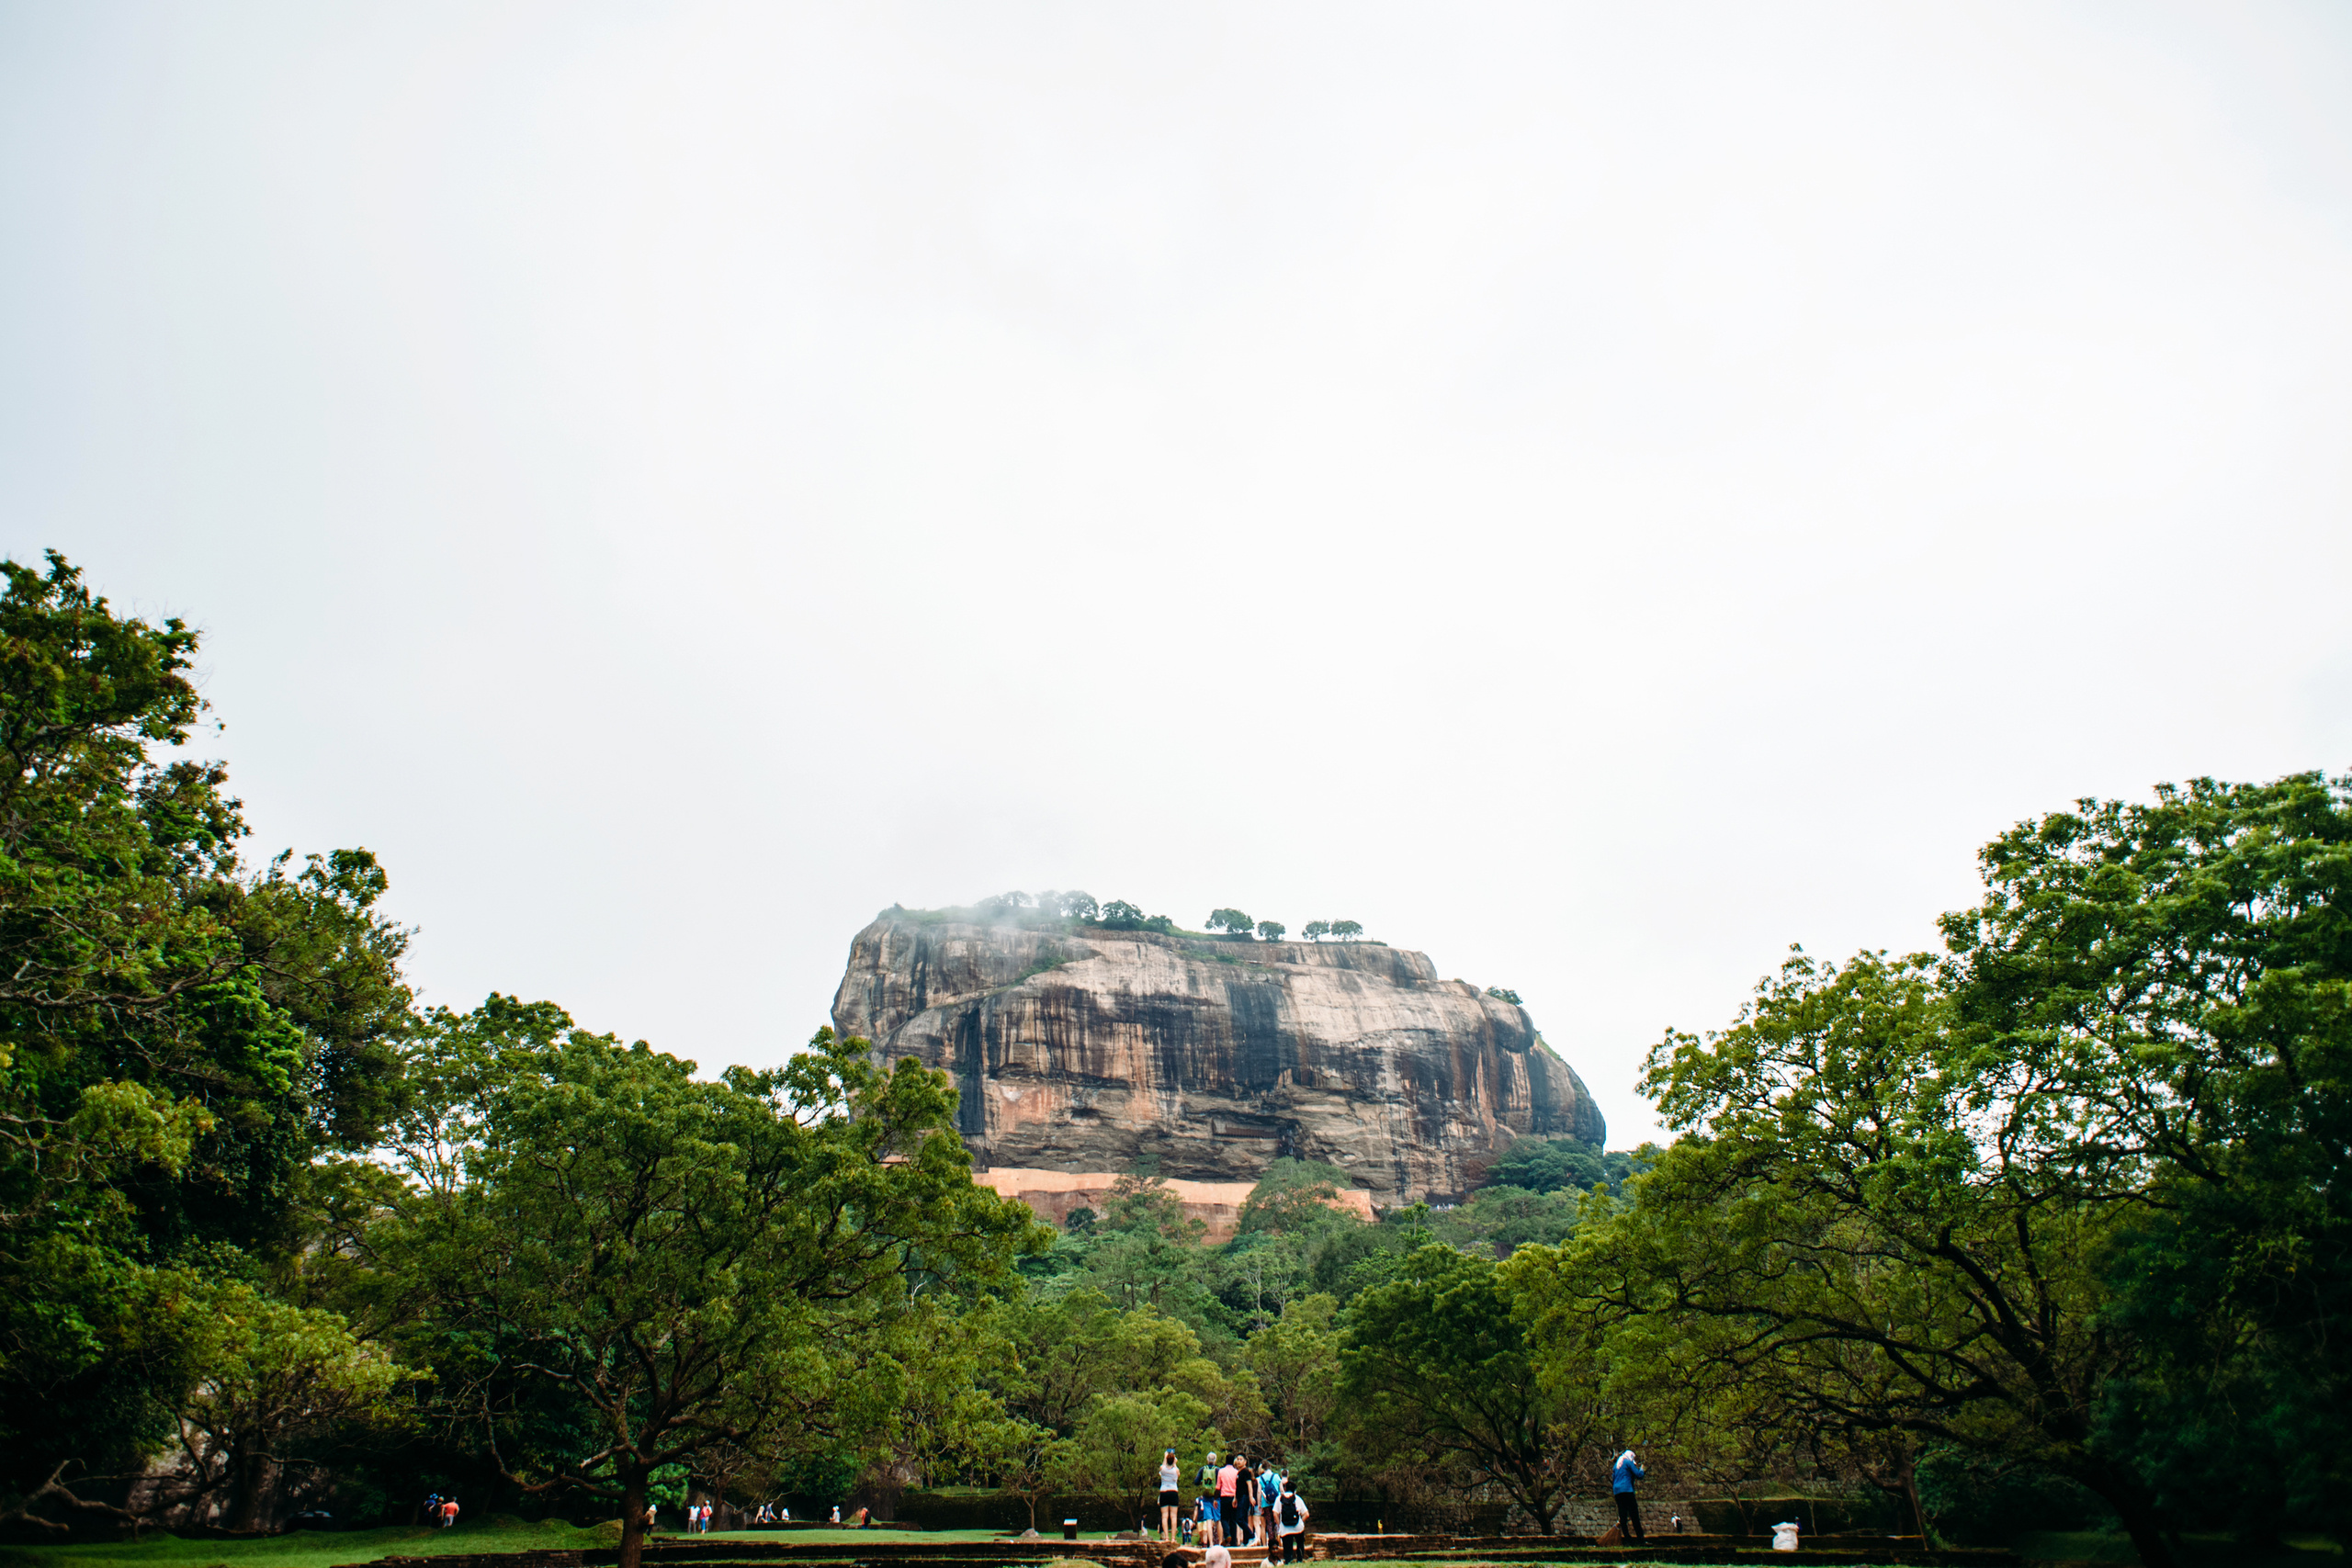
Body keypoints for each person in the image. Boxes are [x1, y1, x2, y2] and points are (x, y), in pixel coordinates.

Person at [1611, 1448, 1645, 1542]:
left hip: (1617, 1492)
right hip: (1627, 1490)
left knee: (1623, 1515)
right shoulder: (1627, 1462)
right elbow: (1639, 1475)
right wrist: (1642, 1469)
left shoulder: (1616, 1465)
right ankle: (1640, 1538)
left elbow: (1614, 1478)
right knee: (1634, 1514)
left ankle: (1627, 1538)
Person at [1274, 1480, 1310, 1564]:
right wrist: (1300, 1521)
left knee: (1287, 1548)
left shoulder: (1279, 1499)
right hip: (1298, 1528)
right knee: (1300, 1544)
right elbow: (1306, 1514)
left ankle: (1288, 1561)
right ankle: (1300, 1560)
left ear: (1285, 1488)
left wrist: (1279, 1524)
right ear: (1294, 1490)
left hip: (1285, 1528)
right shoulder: (1298, 1498)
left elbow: (1275, 1514)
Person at [1195, 1450, 1223, 1547]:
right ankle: (1220, 1542)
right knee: (1218, 1520)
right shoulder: (1218, 1470)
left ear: (1207, 1460)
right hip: (1216, 1498)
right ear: (1215, 1460)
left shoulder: (1202, 1469)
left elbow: (1196, 1481)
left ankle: (1210, 1543)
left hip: (1206, 1497)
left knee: (1208, 1520)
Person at [1158, 1448, 1182, 1543]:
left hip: (1164, 1492)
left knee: (1164, 1516)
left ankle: (1166, 1538)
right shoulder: (1176, 1470)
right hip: (1173, 1492)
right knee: (1173, 1516)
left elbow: (1162, 1466)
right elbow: (1178, 1473)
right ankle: (1173, 1538)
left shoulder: (1162, 1469)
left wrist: (1165, 1457)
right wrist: (1175, 1463)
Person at [1216, 1454, 1239, 1548]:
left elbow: (1218, 1487)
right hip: (1234, 1497)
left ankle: (1227, 1534)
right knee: (1233, 1520)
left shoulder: (1221, 1471)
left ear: (1226, 1461)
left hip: (1224, 1497)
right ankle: (1233, 1542)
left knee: (1224, 1518)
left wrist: (1215, 1498)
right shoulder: (1236, 1472)